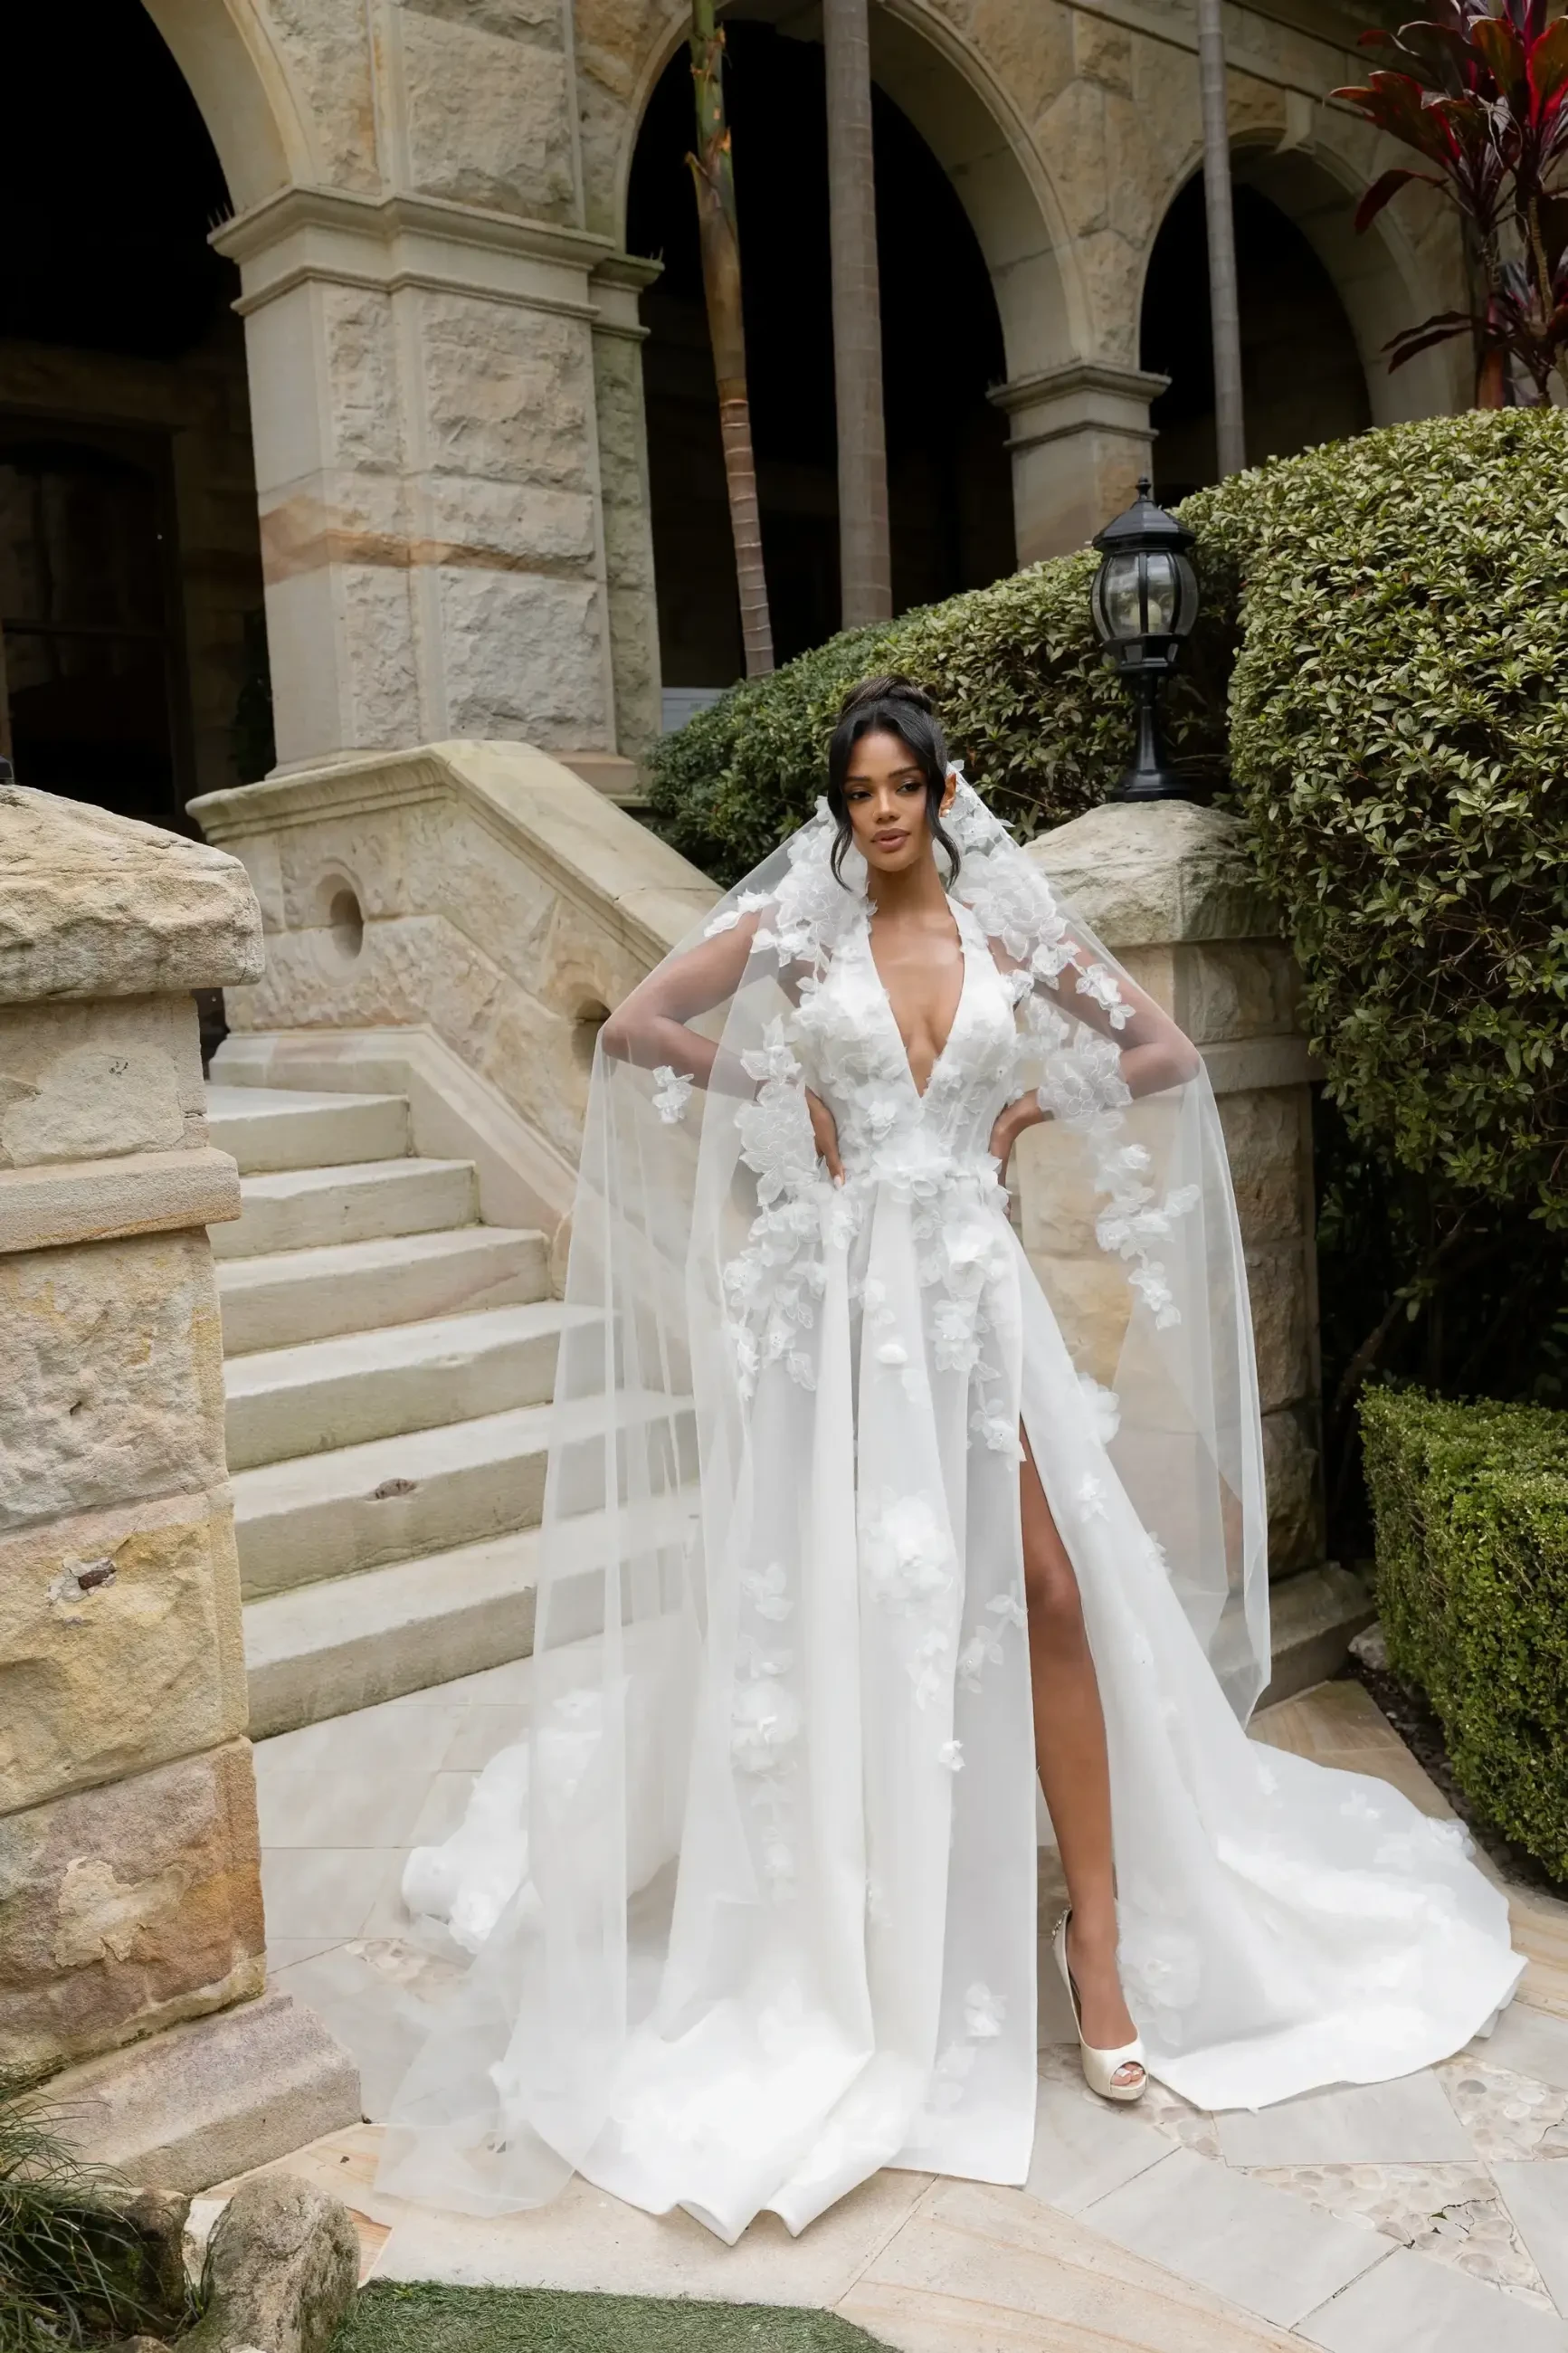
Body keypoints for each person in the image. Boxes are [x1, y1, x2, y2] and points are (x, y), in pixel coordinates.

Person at [377, 674, 1522, 2244]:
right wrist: (775, 1091)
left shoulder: (1008, 935)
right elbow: (644, 1026)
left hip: (978, 1309)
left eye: (901, 785)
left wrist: (1032, 1115)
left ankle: (1097, 1942)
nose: (882, 814)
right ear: (841, 812)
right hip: (840, 1311)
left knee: (1052, 1592)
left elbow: (1165, 1052)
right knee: (852, 1614)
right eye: (857, 794)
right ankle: (858, 1944)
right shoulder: (800, 933)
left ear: (942, 787)